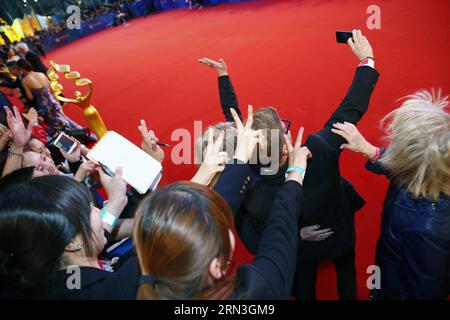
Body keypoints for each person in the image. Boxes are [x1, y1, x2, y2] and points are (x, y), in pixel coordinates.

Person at [198, 29, 380, 299]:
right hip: (339, 232)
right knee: (346, 274)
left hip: (296, 250)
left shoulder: (246, 186)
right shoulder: (317, 148)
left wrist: (223, 76)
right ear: (285, 146)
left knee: (304, 288)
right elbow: (351, 110)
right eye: (283, 128)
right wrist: (367, 61)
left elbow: (234, 121)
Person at [134, 106, 312, 299]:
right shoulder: (252, 294)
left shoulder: (149, 266)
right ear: (216, 266)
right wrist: (295, 175)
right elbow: (276, 247)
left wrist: (201, 173)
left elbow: (173, 213)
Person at [331, 89, 450, 299]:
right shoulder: (424, 173)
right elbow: (401, 167)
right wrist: (370, 150)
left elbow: (426, 293)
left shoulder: (426, 229)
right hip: (385, 271)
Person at [0, 170, 136, 299]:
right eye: (89, 210)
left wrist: (118, 201)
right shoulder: (118, 289)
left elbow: (102, 230)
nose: (97, 211)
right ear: (71, 242)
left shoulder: (71, 275)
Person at [16, 59, 87, 133]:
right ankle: (80, 132)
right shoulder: (41, 74)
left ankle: (75, 136)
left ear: (23, 69)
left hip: (44, 105)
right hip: (53, 101)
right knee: (65, 118)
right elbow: (52, 89)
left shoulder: (25, 81)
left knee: (57, 124)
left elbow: (30, 97)